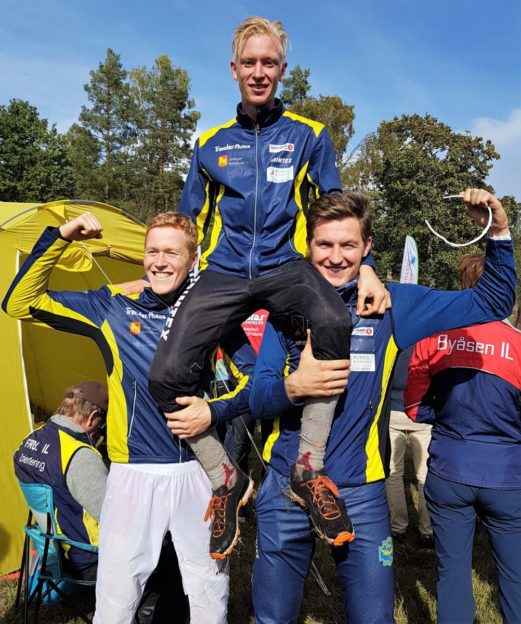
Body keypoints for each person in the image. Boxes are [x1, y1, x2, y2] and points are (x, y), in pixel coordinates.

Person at [148, 15, 389, 557]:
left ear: (282, 70)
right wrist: (159, 267)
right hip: (224, 272)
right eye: (249, 63)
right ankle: (226, 478)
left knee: (334, 320)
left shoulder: (310, 135)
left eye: (269, 63)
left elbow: (337, 212)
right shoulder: (210, 143)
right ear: (234, 69)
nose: (259, 72)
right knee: (163, 375)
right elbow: (188, 221)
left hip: (286, 266)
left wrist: (369, 267)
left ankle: (308, 466)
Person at [249, 189, 515, 623]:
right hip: (287, 486)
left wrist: (498, 232)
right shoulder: (285, 307)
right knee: (272, 619)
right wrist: (293, 387)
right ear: (309, 245)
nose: (336, 257)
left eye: (348, 245)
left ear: (367, 246)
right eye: (324, 244)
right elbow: (258, 399)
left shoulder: (392, 305)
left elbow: (493, 301)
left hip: (362, 488)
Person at [2, 211, 256, 623]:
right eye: (152, 251)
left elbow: (257, 380)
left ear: (193, 260)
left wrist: (214, 410)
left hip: (196, 472)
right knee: (117, 601)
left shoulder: (211, 312)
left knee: (210, 593)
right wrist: (62, 235)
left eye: (171, 252)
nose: (159, 261)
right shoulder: (113, 306)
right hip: (131, 476)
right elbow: (19, 302)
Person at [404, 253, 521, 624]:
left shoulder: (434, 340)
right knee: (516, 575)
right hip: (507, 477)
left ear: (463, 286)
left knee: (451, 572)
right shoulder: (518, 344)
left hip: (449, 469)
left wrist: (444, 416)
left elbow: (414, 408)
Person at [13, 381, 108, 580]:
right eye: (101, 425)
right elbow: (112, 517)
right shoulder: (80, 456)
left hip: (53, 550)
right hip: (90, 559)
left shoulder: (28, 442)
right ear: (92, 417)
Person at [385, 345, 434, 548]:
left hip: (394, 408)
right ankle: (428, 531)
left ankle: (398, 528)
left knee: (393, 473)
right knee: (425, 474)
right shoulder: (430, 336)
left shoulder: (394, 335)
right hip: (423, 409)